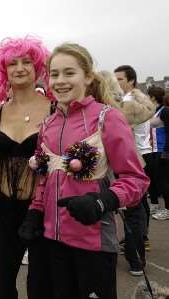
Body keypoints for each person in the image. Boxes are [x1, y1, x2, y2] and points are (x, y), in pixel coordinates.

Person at [19, 43, 149, 298]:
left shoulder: (107, 118)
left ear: (88, 77)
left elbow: (136, 180)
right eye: (54, 74)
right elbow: (44, 176)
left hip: (93, 243)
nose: (60, 81)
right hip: (50, 241)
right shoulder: (47, 124)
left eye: (69, 73)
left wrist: (103, 201)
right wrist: (35, 212)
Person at [0, 36, 53, 299]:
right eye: (13, 63)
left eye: (27, 62)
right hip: (4, 206)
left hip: (44, 208)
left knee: (41, 286)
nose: (20, 68)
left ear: (38, 67)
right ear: (3, 70)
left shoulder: (55, 109)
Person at [114, 65, 151, 273]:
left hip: (128, 160)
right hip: (135, 159)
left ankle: (135, 255)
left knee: (133, 211)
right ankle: (135, 250)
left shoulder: (127, 104)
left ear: (131, 81)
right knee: (136, 210)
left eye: (120, 79)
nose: (116, 82)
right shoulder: (138, 101)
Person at [149, 86, 169, 220]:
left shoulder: (165, 111)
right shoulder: (157, 110)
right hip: (155, 149)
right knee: (158, 180)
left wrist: (166, 152)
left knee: (164, 182)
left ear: (153, 97)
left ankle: (167, 210)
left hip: (163, 150)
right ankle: (160, 207)